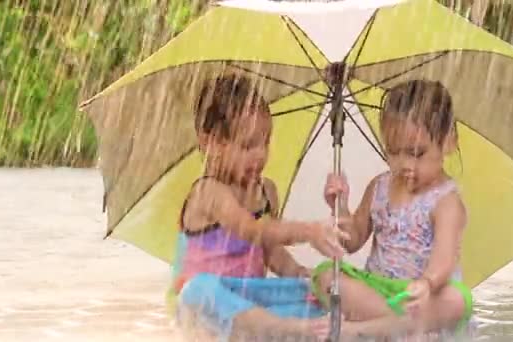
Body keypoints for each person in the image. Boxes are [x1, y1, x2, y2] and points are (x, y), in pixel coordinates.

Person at [172, 74, 347, 340]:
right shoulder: (208, 192)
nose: (260, 154)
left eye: (265, 143)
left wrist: (299, 273)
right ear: (212, 144)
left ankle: (288, 325)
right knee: (198, 289)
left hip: (251, 299)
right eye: (248, 145)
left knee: (317, 291)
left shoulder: (267, 192)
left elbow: (270, 251)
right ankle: (279, 327)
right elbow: (252, 231)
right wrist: (309, 231)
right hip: (209, 308)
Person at [313, 79, 473, 339]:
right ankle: (400, 325)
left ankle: (363, 329)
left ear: (448, 142)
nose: (405, 164)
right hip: (379, 290)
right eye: (394, 152)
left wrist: (427, 283)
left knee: (457, 299)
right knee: (325, 277)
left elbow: (444, 259)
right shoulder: (380, 186)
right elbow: (352, 241)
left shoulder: (446, 202)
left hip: (418, 293)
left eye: (417, 153)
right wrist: (340, 206)